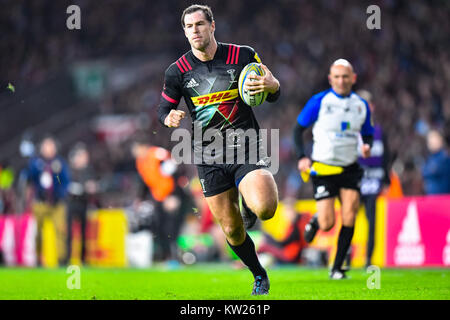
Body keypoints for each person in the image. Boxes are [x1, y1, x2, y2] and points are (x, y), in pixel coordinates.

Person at [158, 4, 281, 295]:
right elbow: (163, 108)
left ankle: (248, 200)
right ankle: (258, 273)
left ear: (212, 26)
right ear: (184, 32)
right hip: (208, 156)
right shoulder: (177, 72)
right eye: (189, 27)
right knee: (232, 230)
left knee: (265, 208)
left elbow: (272, 93)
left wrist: (273, 85)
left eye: (200, 24)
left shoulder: (244, 56)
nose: (194, 31)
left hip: (246, 147)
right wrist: (168, 118)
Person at [293, 59, 374, 279]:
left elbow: (368, 133)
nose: (341, 81)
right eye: (337, 77)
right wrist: (302, 157)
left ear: (353, 78)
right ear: (330, 79)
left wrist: (367, 146)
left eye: (345, 76)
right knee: (328, 223)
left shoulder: (361, 105)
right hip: (324, 169)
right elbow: (297, 130)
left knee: (350, 215)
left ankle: (337, 267)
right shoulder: (319, 101)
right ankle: (317, 220)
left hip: (349, 168)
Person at [356, 90, 391, 268]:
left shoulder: (379, 131)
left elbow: (387, 157)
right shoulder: (351, 130)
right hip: (354, 184)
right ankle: (346, 258)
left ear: (372, 107)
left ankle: (368, 259)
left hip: (373, 183)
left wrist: (387, 181)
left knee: (372, 223)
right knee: (349, 222)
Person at [27, 135, 70, 266]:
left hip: (56, 203)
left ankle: (61, 260)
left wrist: (59, 193)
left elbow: (63, 181)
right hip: (40, 202)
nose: (48, 149)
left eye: (51, 146)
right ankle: (39, 258)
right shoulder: (36, 162)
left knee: (60, 231)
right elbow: (31, 179)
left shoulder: (59, 163)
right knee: (38, 233)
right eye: (46, 146)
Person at [66, 142, 98, 265]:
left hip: (83, 203)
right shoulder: (70, 170)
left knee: (84, 233)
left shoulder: (89, 170)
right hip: (71, 203)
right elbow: (62, 183)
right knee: (69, 233)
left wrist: (90, 188)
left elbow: (93, 185)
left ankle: (83, 259)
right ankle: (68, 258)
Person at [422, 129, 450, 194]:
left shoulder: (445, 157)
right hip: (431, 197)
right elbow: (424, 172)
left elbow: (433, 171)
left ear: (440, 140)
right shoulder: (430, 158)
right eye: (429, 140)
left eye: (433, 139)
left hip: (443, 198)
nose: (430, 142)